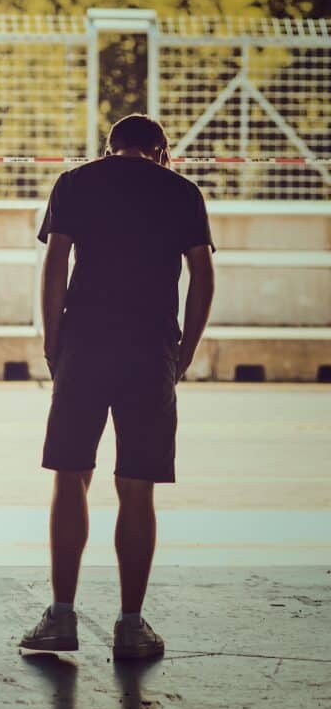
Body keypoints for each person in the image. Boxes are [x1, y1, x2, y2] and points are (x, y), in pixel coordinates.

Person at [20, 114, 215, 660]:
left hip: (84, 343)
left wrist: (54, 341)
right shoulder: (182, 191)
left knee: (70, 475)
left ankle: (61, 617)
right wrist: (186, 350)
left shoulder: (76, 182)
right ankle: (130, 625)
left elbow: (55, 263)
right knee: (136, 485)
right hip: (150, 347)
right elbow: (203, 274)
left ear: (111, 148)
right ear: (160, 151)